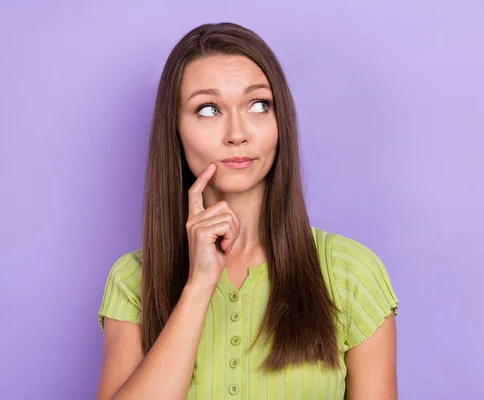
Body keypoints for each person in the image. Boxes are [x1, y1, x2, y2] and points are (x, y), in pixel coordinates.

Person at [96, 22, 399, 400]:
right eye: (208, 109)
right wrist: (199, 285)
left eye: (258, 105)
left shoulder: (351, 273)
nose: (237, 133)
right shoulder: (133, 280)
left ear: (279, 121)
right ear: (175, 129)